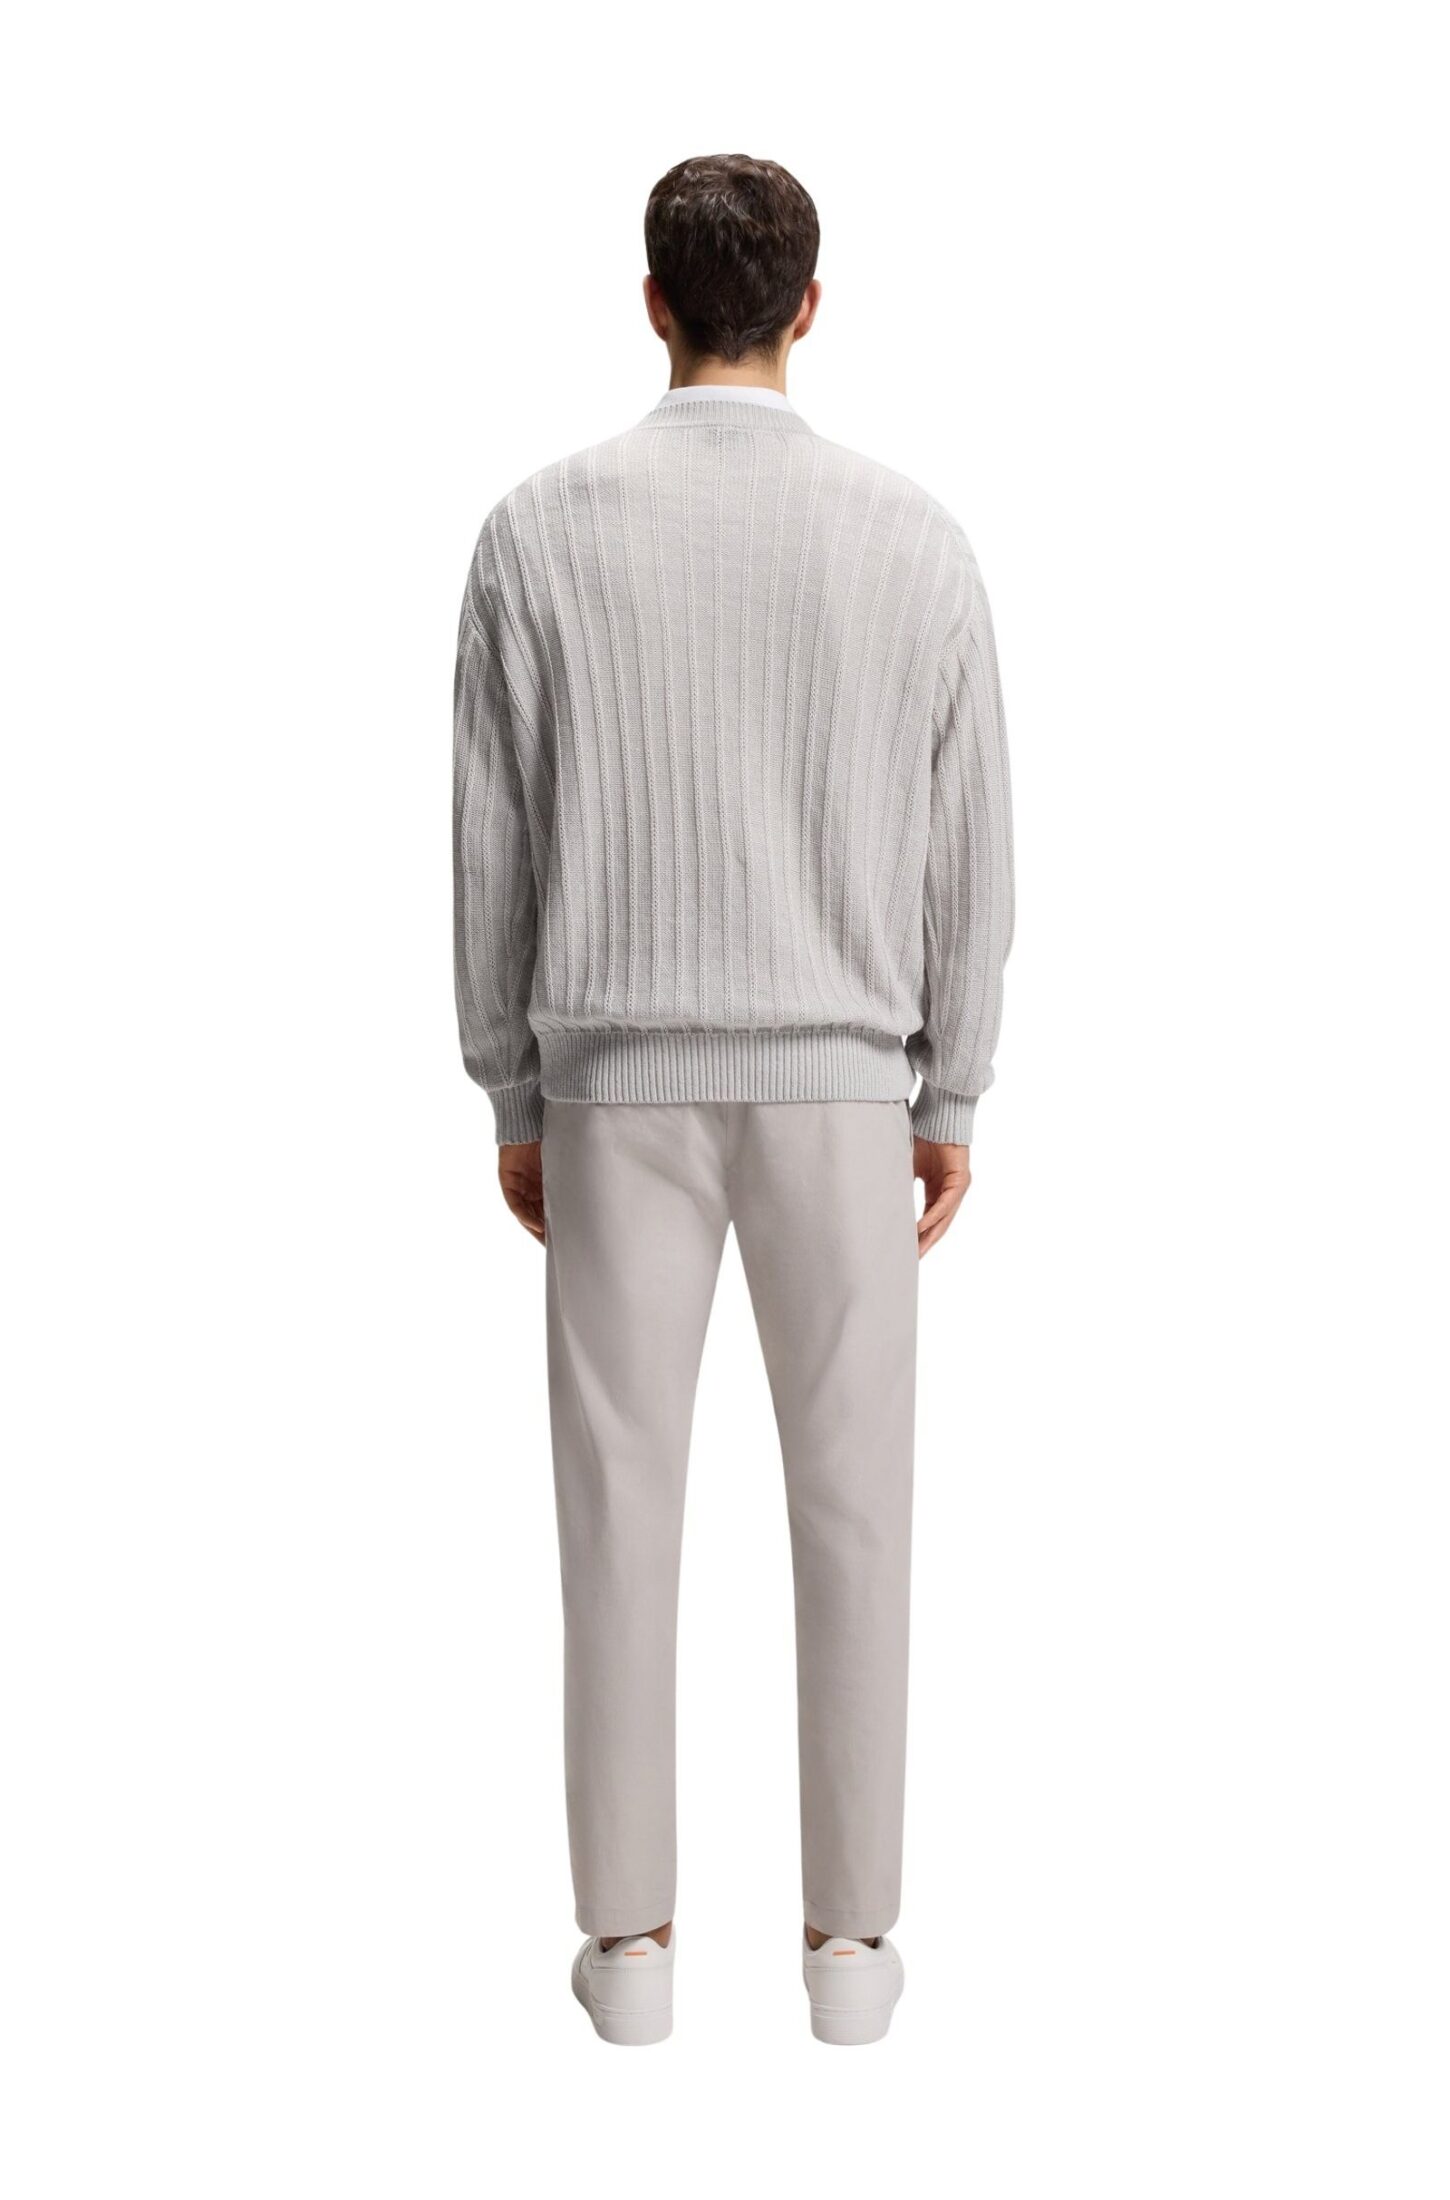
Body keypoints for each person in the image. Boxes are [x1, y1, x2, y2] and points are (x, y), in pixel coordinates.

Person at [453, 153, 1013, 2045]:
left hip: (612, 1085)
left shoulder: (536, 533)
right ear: (810, 306)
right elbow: (969, 840)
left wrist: (513, 1086)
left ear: (650, 303)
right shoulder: (913, 539)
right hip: (844, 1092)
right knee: (858, 1511)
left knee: (614, 1511)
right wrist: (950, 1086)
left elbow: (489, 843)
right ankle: (850, 1959)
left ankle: (629, 1960)